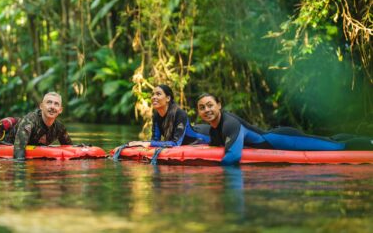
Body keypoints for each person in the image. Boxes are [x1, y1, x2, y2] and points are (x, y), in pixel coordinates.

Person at [196, 93, 373, 165]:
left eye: (210, 105)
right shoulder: (214, 128)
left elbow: (234, 156)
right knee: (331, 140)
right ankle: (350, 136)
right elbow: (207, 140)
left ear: (219, 105)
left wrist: (210, 171)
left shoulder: (229, 123)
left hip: (284, 140)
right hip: (276, 138)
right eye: (202, 108)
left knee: (337, 147)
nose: (207, 110)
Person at [127, 84, 210, 148]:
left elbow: (176, 143)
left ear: (168, 98)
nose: (154, 97)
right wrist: (140, 143)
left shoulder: (180, 114)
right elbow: (155, 140)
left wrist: (146, 143)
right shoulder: (156, 116)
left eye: (158, 94)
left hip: (206, 134)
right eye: (153, 94)